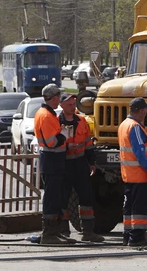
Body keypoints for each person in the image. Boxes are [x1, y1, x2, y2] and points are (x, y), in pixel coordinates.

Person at [59, 92, 104, 243]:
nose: (73, 108)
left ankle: (88, 232)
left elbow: (88, 144)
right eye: (69, 105)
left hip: (79, 164)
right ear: (62, 106)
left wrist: (91, 162)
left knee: (86, 198)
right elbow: (52, 143)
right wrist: (66, 146)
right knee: (63, 199)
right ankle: (64, 232)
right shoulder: (56, 122)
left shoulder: (82, 121)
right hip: (64, 164)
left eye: (74, 105)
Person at [34, 83, 74, 245]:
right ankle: (49, 234)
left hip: (53, 161)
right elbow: (51, 142)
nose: (59, 100)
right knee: (51, 198)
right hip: (51, 161)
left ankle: (55, 232)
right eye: (58, 97)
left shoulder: (46, 114)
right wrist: (63, 135)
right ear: (55, 97)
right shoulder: (46, 116)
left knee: (56, 197)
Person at [118, 97, 147, 247]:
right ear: (142, 111)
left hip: (129, 175)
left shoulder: (124, 125)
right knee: (139, 208)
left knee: (129, 207)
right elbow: (140, 153)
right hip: (139, 175)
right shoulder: (135, 127)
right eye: (145, 110)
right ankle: (137, 237)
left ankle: (128, 235)